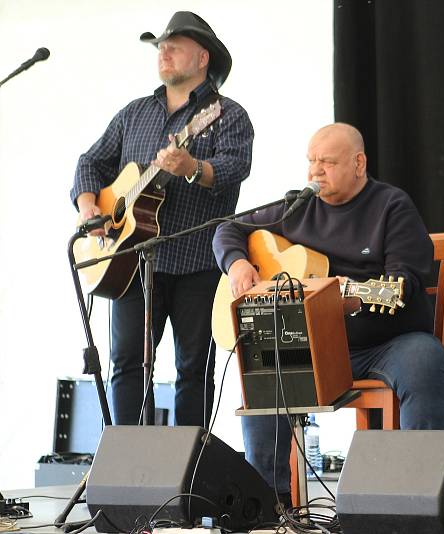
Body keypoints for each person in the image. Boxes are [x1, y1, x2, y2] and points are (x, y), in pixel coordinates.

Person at [212, 122, 444, 499]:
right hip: (310, 347)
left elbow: (404, 284)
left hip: (383, 343)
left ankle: (422, 496)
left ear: (359, 163)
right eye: (311, 161)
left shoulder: (392, 206)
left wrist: (352, 300)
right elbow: (229, 228)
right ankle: (266, 504)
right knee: (261, 366)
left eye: (327, 162)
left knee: (425, 359)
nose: (314, 171)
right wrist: (237, 264)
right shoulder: (297, 207)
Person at [70, 12, 254, 427]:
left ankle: (188, 474)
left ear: (203, 56)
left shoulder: (227, 115)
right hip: (132, 261)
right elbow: (90, 163)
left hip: (197, 262)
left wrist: (192, 166)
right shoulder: (134, 113)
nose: (163, 52)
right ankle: (131, 464)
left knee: (193, 370)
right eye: (160, 47)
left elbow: (231, 169)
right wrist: (90, 208)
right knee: (126, 365)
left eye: (174, 45)